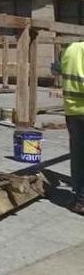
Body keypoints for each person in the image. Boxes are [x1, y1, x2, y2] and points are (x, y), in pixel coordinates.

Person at [61, 41, 84, 215]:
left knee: (78, 155)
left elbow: (57, 68)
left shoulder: (71, 49)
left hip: (72, 111)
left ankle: (79, 198)